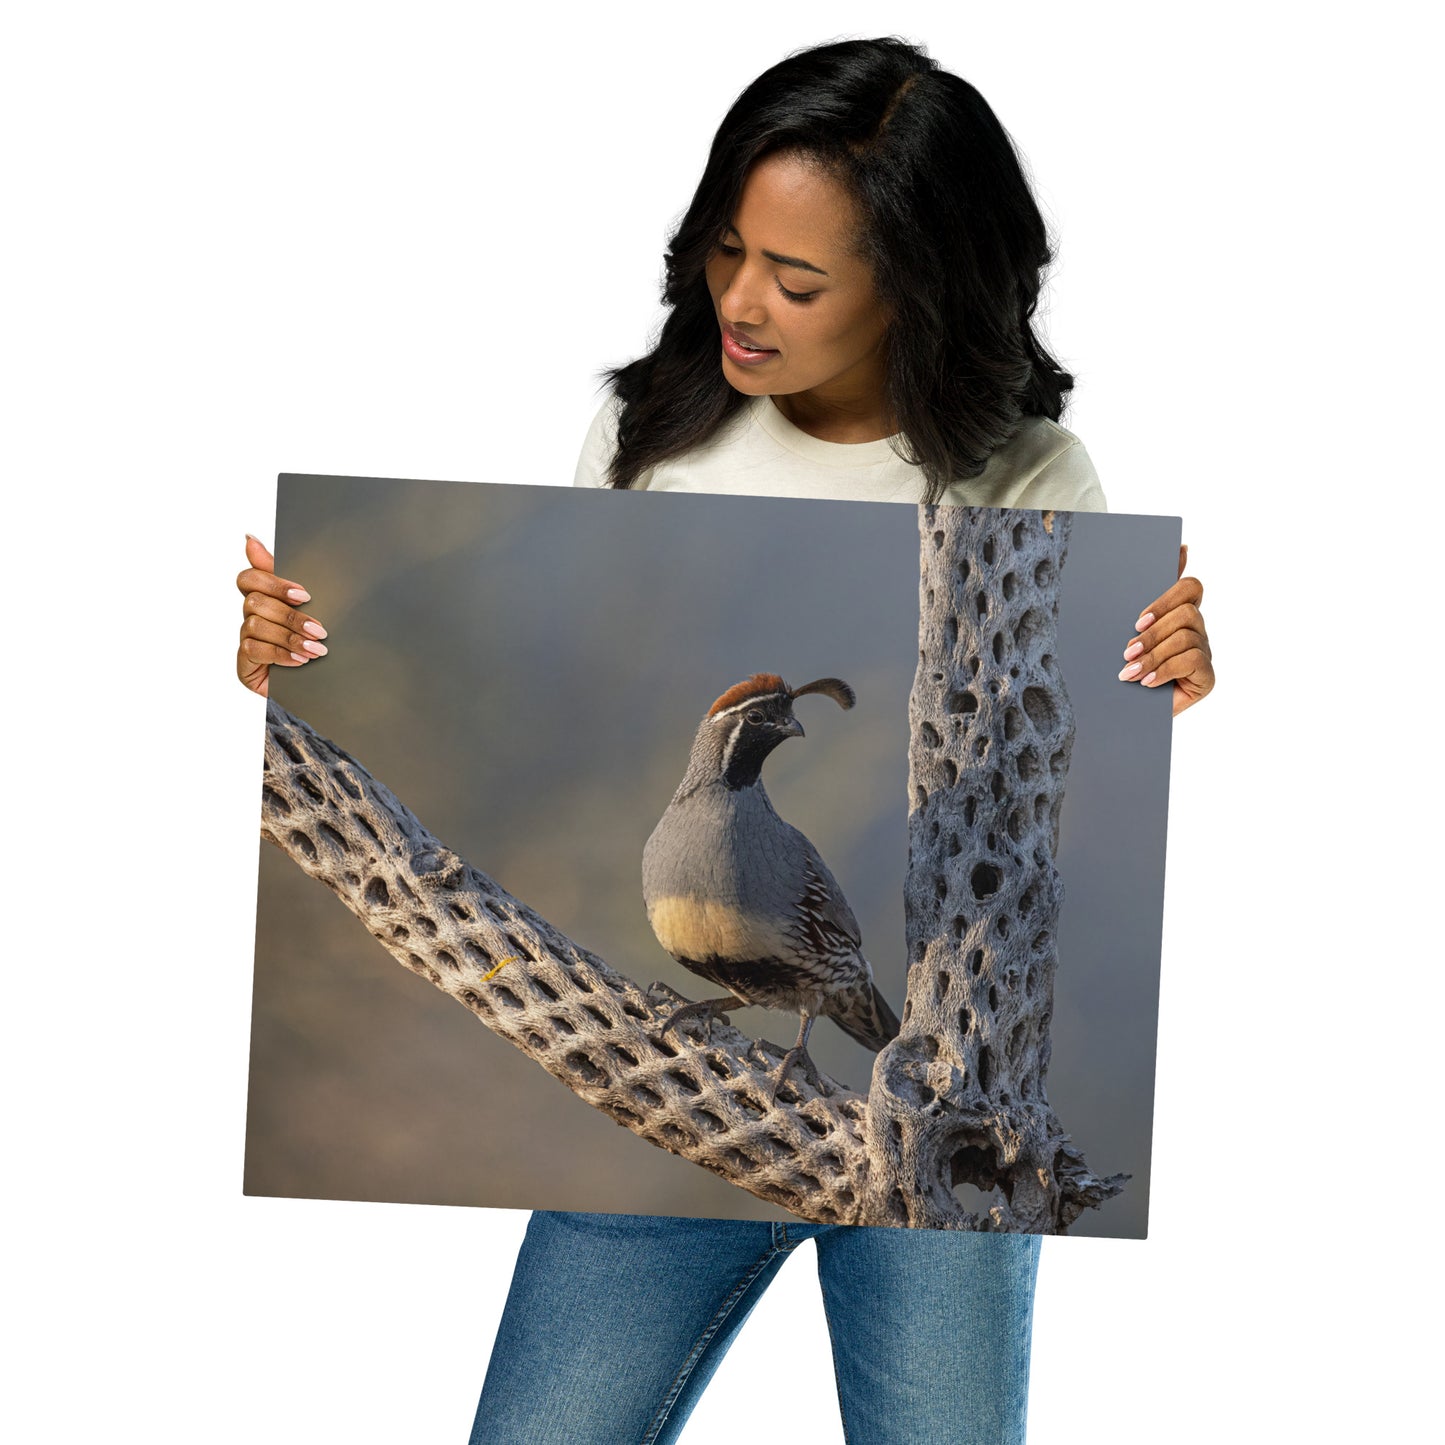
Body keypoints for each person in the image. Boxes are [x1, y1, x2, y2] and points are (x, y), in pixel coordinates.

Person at [237, 37, 1213, 1444]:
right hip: (681, 1131)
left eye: (797, 280)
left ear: (917, 288)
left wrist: (1162, 671)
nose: (743, 300)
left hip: (937, 1130)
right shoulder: (647, 433)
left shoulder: (1031, 474)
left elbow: (1069, 728)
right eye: (727, 251)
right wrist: (280, 655)